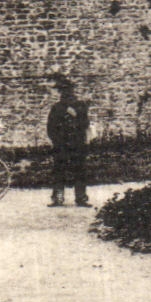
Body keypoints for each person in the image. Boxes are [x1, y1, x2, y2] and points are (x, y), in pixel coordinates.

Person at [47, 77, 90, 207]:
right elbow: (51, 127)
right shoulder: (57, 108)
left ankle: (81, 198)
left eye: (70, 91)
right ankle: (58, 198)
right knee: (59, 171)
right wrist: (57, 141)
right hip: (61, 145)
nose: (68, 94)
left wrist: (76, 115)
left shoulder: (80, 106)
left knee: (80, 171)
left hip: (77, 144)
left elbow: (85, 124)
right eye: (64, 92)